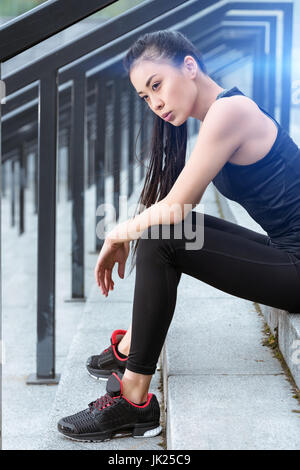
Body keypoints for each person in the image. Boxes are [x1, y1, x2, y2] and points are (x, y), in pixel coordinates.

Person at [57, 30, 300, 442]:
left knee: (164, 234)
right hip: (286, 252)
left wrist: (117, 234)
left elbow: (176, 207)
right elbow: (174, 209)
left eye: (157, 85)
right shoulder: (214, 117)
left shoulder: (231, 112)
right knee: (168, 233)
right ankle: (134, 345)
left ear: (189, 66)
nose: (156, 103)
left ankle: (133, 399)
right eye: (145, 97)